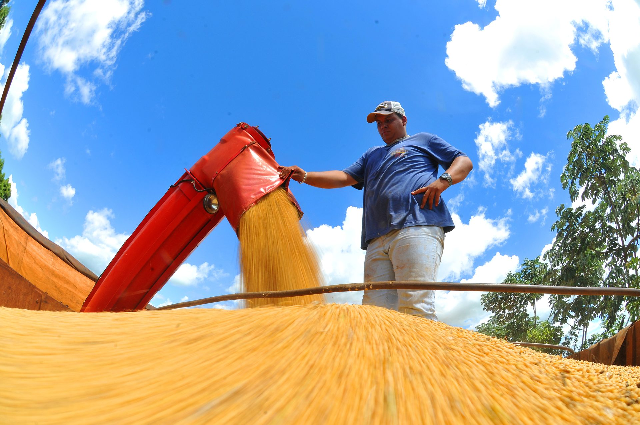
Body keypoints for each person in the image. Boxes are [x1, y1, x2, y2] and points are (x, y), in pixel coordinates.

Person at [278, 101, 473, 320]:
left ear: (403, 120)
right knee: (376, 315)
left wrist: (444, 180)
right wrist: (304, 176)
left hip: (417, 225)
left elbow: (463, 160)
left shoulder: (423, 140)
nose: (383, 127)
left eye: (388, 120)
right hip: (376, 239)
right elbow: (343, 177)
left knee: (415, 305)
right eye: (378, 123)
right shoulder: (372, 155)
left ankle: (426, 355)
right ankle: (386, 355)